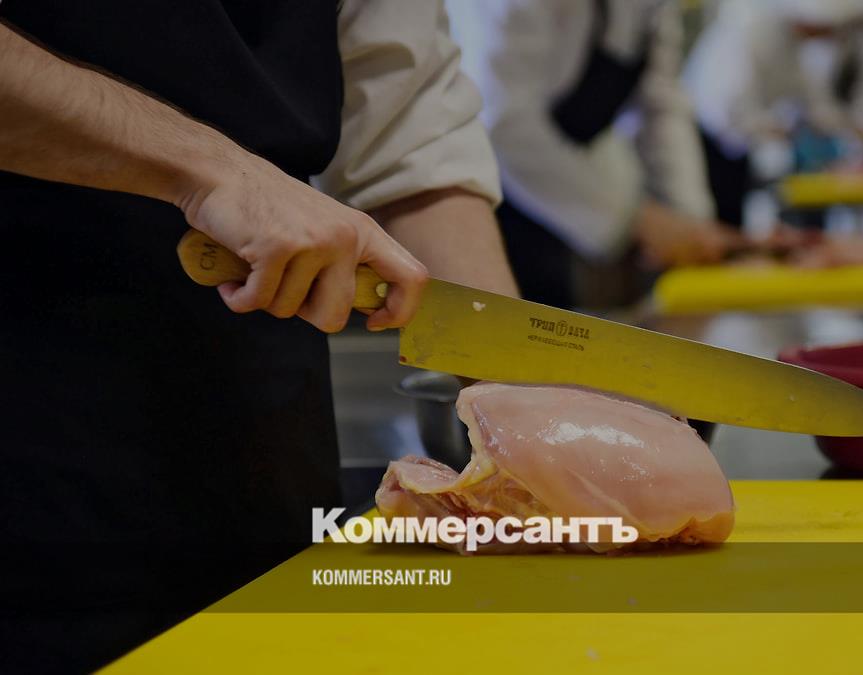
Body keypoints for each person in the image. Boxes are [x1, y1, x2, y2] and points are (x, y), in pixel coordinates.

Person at [0, 1, 516, 671]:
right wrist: (207, 169)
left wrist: (523, 414)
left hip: (262, 435)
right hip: (33, 415)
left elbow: (410, 137)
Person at [447, 0, 738, 308]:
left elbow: (659, 107)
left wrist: (691, 224)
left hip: (570, 192)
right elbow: (507, 127)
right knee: (494, 317)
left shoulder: (653, 8)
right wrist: (639, 219)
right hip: (488, 193)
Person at [683, 0, 863, 227]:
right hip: (707, 135)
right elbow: (730, 109)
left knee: (732, 217)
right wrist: (777, 129)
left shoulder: (792, 44)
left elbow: (813, 103)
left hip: (735, 144)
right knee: (713, 217)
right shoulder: (752, 34)